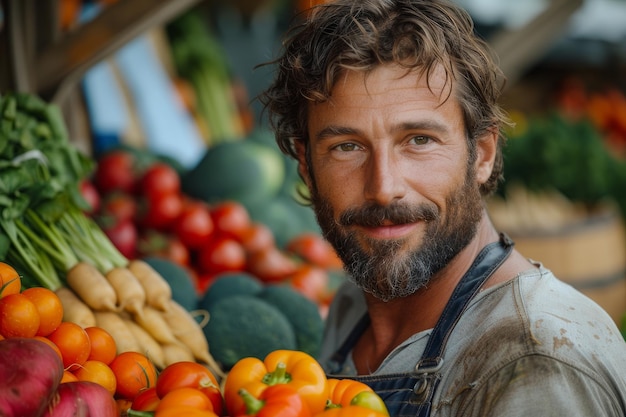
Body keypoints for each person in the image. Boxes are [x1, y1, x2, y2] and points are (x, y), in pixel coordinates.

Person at [260, 0, 626, 415]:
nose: (383, 188)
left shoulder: (532, 361)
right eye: (347, 147)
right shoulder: (354, 304)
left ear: (482, 154)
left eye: (419, 140)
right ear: (306, 166)